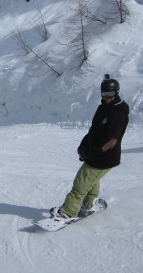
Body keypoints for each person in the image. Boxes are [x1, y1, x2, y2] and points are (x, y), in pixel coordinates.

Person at [51, 74, 130, 223]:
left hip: (104, 157)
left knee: (81, 183)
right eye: (105, 94)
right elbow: (95, 130)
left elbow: (110, 141)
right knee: (92, 180)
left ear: (116, 93)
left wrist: (88, 152)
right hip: (98, 155)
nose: (107, 98)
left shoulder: (118, 114)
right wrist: (84, 145)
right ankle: (88, 205)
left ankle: (68, 212)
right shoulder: (104, 107)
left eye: (110, 95)